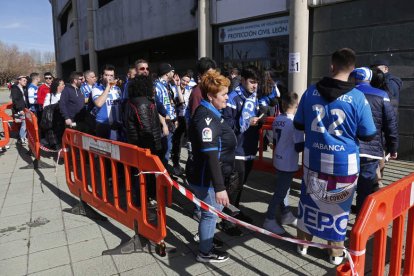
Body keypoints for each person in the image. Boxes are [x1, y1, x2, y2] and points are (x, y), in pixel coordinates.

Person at [293, 48, 377, 265]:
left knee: (308, 202)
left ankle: (303, 244)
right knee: (338, 210)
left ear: (332, 66)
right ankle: (335, 253)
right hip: (344, 164)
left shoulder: (310, 92)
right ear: (352, 70)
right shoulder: (358, 98)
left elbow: (299, 124)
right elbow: (368, 134)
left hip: (314, 160)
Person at [186, 69, 234, 263]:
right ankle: (205, 252)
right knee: (210, 214)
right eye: (223, 94)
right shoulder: (207, 118)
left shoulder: (211, 112)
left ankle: (204, 237)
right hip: (207, 178)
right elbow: (211, 155)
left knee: (211, 213)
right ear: (210, 96)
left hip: (212, 176)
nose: (227, 97)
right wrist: (220, 188)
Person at [351, 67, 398, 214]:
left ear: (353, 78)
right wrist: (393, 147)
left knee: (345, 185)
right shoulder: (382, 95)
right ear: (370, 78)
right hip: (371, 150)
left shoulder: (347, 94)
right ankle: (361, 218)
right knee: (365, 187)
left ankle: (341, 214)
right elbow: (391, 123)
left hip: (348, 148)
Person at [222, 65, 262, 233]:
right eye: (252, 82)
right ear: (243, 80)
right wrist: (245, 123)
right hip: (237, 150)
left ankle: (235, 213)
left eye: (257, 83)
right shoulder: (232, 97)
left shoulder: (254, 97)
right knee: (233, 186)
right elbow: (227, 124)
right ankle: (226, 221)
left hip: (250, 147)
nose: (255, 86)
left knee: (240, 185)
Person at [263, 92, 303, 234]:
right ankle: (269, 218)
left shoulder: (278, 119)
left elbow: (274, 140)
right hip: (288, 162)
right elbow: (299, 146)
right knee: (280, 193)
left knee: (282, 189)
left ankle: (286, 213)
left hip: (278, 159)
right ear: (297, 105)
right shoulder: (295, 123)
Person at [123, 75, 163, 207]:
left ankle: (142, 198)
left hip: (137, 144)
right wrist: (152, 149)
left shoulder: (132, 101)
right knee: (145, 175)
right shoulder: (143, 103)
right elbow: (145, 128)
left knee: (140, 174)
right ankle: (144, 200)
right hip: (145, 146)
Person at [91, 64, 122, 140]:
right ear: (102, 76)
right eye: (106, 75)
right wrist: (108, 87)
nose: (109, 77)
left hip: (117, 125)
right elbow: (98, 103)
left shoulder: (117, 89)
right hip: (103, 125)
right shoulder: (97, 88)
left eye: (111, 75)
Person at [154, 63, 177, 163]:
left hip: (170, 122)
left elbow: (171, 103)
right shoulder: (157, 86)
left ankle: (165, 171)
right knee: (163, 151)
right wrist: (164, 124)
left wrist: (174, 119)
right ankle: (161, 175)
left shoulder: (167, 85)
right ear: (167, 73)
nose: (174, 73)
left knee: (168, 149)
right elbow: (155, 107)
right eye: (172, 71)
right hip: (162, 124)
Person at [258, 70, 280, 151]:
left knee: (262, 125)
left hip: (262, 106)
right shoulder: (273, 84)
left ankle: (262, 145)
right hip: (271, 106)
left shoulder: (259, 84)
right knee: (270, 124)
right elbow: (278, 94)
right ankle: (270, 141)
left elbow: (256, 95)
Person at [170, 72, 187, 175]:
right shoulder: (172, 89)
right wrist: (177, 86)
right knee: (174, 143)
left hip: (183, 119)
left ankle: (176, 164)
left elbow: (184, 102)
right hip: (174, 118)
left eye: (187, 81)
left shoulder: (188, 91)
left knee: (179, 143)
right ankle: (174, 166)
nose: (184, 83)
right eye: (183, 80)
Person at [43, 78, 65, 149]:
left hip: (63, 118)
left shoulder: (65, 95)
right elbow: (45, 107)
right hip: (53, 119)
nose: (64, 86)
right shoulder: (49, 95)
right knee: (56, 135)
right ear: (57, 86)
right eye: (62, 84)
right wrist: (56, 105)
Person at [10, 76, 28, 144]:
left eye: (26, 81)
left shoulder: (23, 88)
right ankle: (21, 137)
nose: (25, 82)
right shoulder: (15, 88)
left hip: (24, 108)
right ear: (19, 81)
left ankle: (23, 137)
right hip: (19, 110)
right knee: (25, 122)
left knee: (26, 122)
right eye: (24, 80)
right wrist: (20, 109)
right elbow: (15, 100)